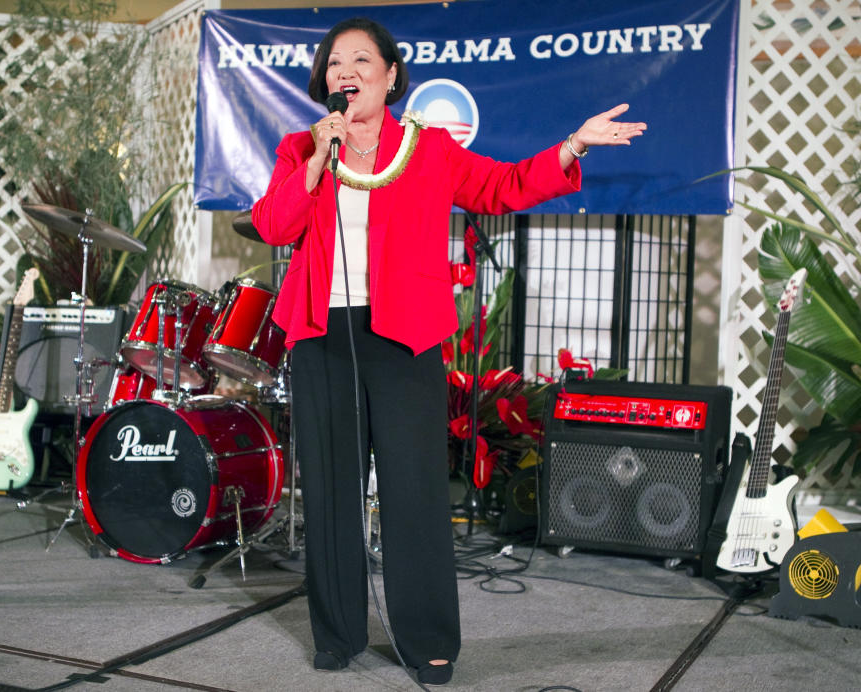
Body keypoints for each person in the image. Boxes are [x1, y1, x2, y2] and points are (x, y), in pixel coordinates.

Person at [251, 16, 646, 686]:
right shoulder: (301, 148)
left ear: (391, 75)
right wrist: (318, 159)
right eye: (335, 63)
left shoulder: (427, 150)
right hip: (323, 337)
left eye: (360, 59)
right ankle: (338, 631)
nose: (346, 72)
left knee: (414, 495)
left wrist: (573, 145)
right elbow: (273, 223)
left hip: (402, 338)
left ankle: (429, 638)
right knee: (329, 492)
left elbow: (506, 186)